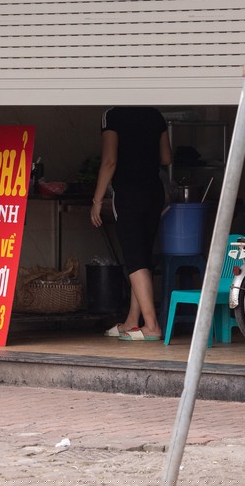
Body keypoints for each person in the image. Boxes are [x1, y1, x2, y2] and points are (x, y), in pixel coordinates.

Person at [90, 106, 172, 341]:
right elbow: (166, 157)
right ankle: (132, 321)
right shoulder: (155, 114)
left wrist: (97, 200)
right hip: (154, 191)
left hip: (128, 193)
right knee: (142, 257)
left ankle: (152, 326)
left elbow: (109, 161)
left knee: (134, 259)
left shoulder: (112, 115)